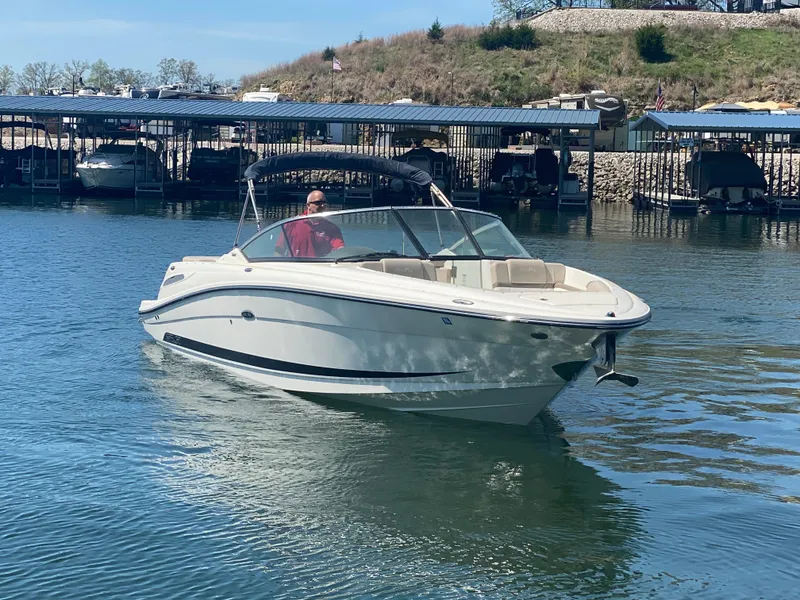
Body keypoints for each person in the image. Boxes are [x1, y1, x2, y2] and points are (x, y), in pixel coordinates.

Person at [275, 190, 345, 257]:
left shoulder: (332, 228)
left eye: (324, 203)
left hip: (319, 267)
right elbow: (278, 250)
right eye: (318, 203)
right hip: (294, 266)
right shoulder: (291, 224)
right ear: (308, 205)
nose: (323, 206)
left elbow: (340, 250)